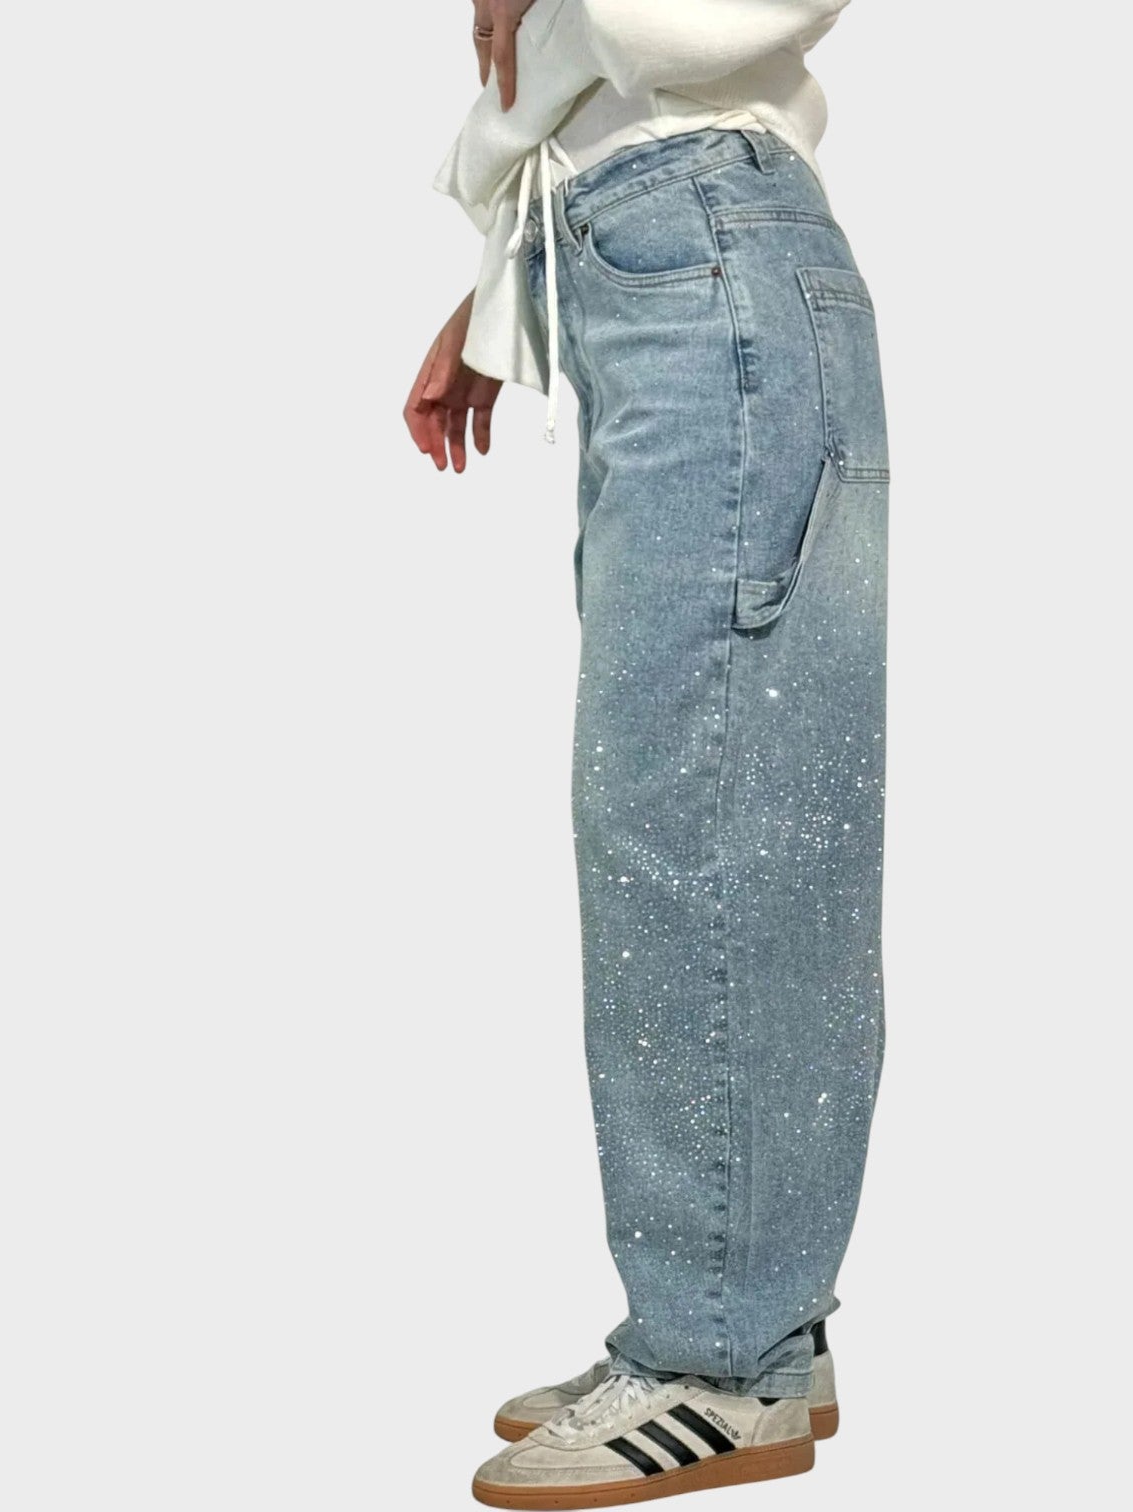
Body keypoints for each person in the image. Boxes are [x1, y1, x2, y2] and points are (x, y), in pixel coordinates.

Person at [404, 4, 889, 1505]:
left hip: (705, 262)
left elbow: (677, 34)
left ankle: (723, 1360)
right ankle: (748, 1329)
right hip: (652, 267)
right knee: (698, 802)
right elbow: (601, 84)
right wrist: (502, 291)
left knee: (707, 814)